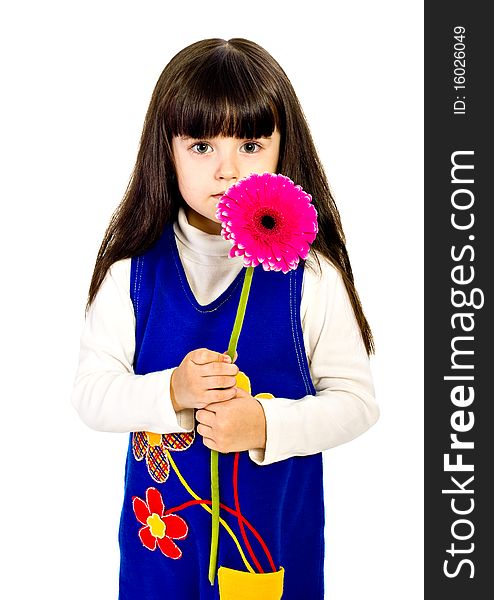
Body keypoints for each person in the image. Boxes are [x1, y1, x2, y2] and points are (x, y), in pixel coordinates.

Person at [71, 38, 379, 600]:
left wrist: (265, 426)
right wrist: (172, 390)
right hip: (159, 548)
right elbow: (92, 396)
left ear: (284, 150)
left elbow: (357, 404)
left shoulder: (310, 278)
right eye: (201, 146)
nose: (228, 170)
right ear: (165, 152)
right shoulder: (131, 275)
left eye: (252, 143)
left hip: (267, 550)